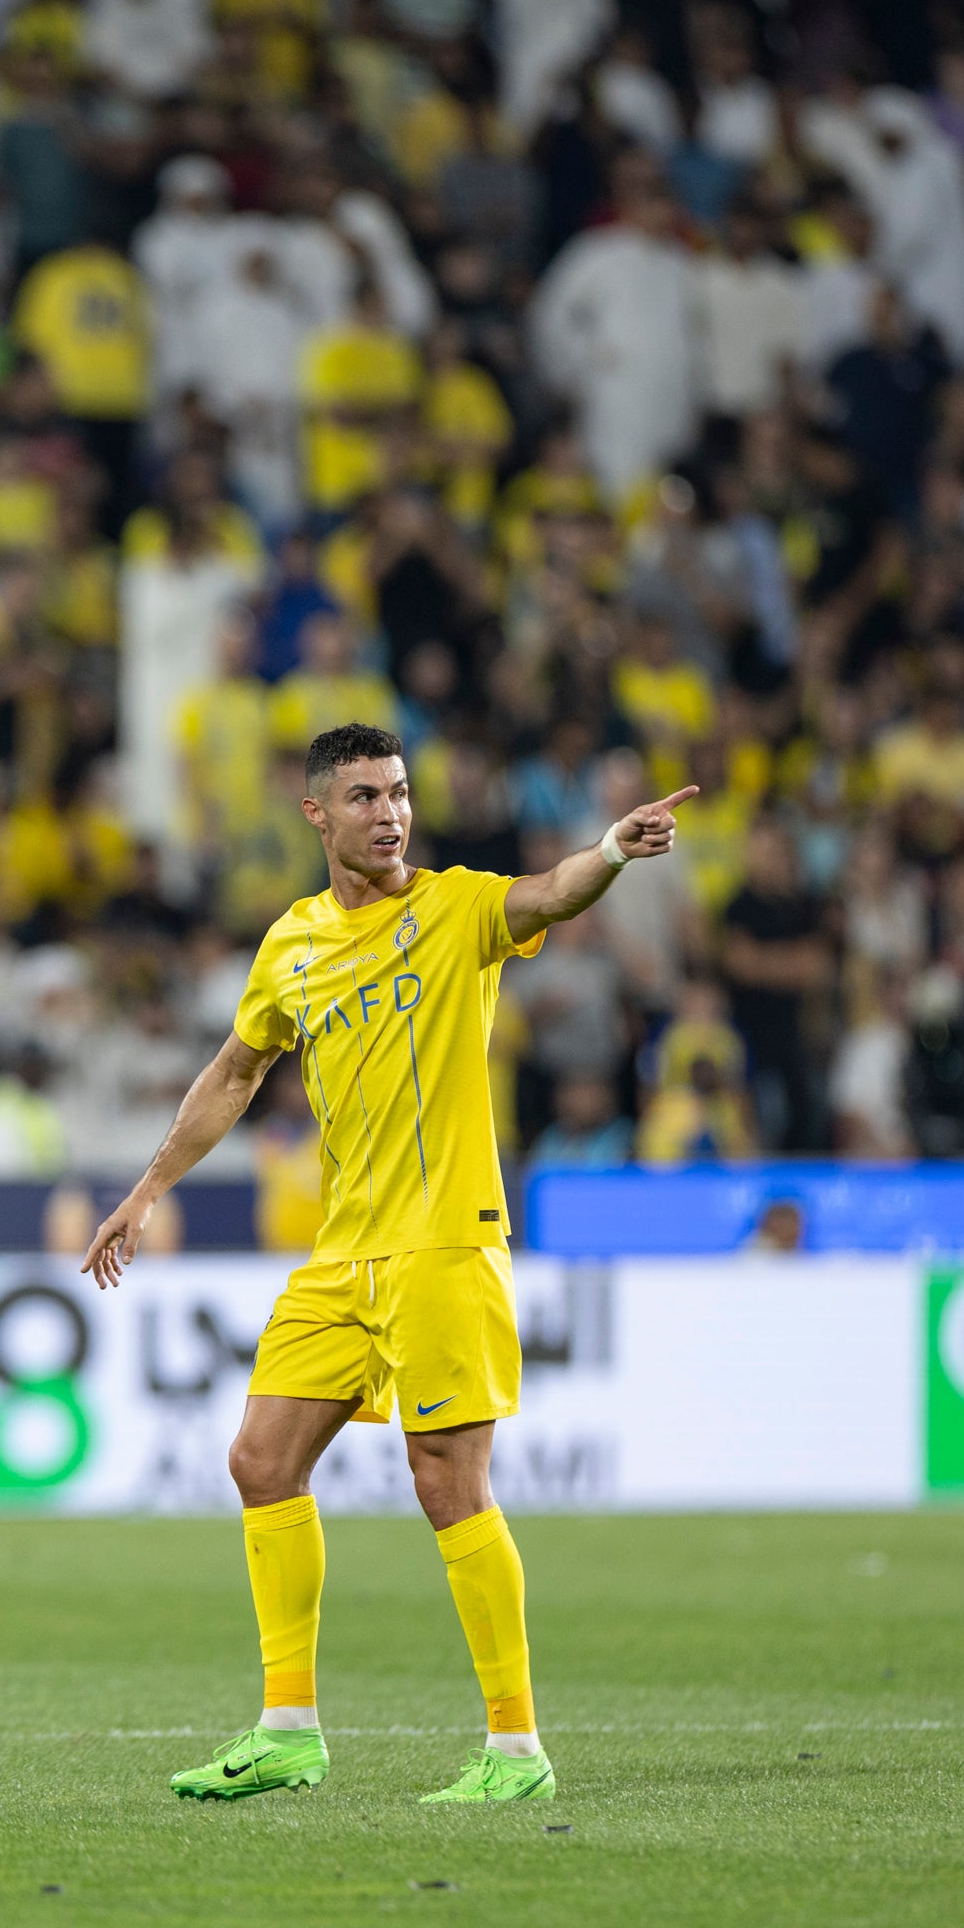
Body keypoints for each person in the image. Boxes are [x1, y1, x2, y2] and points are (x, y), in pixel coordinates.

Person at [82, 721, 693, 1806]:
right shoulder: (293, 943)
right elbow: (233, 1073)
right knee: (260, 1460)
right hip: (343, 1253)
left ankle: (517, 1749)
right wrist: (145, 1191)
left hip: (448, 1240)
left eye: (400, 791)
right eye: (364, 795)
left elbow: (548, 895)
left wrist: (606, 849)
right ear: (317, 813)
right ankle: (288, 1730)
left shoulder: (456, 907)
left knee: (448, 1482)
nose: (390, 812)